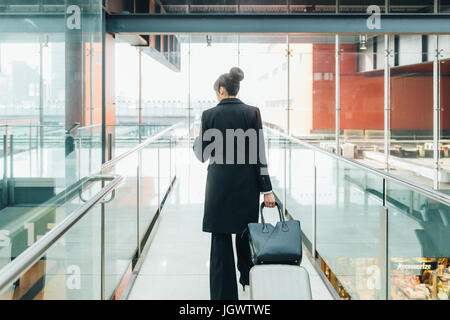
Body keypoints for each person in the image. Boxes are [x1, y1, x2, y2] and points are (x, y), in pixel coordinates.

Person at [193, 67, 276, 300]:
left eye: (216, 92)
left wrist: (198, 138)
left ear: (221, 90)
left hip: (218, 184)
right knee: (244, 234)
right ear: (236, 89)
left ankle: (224, 298)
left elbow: (201, 154)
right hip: (246, 185)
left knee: (220, 240)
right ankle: (249, 282)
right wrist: (266, 190)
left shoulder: (209, 115)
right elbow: (260, 154)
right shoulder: (252, 113)